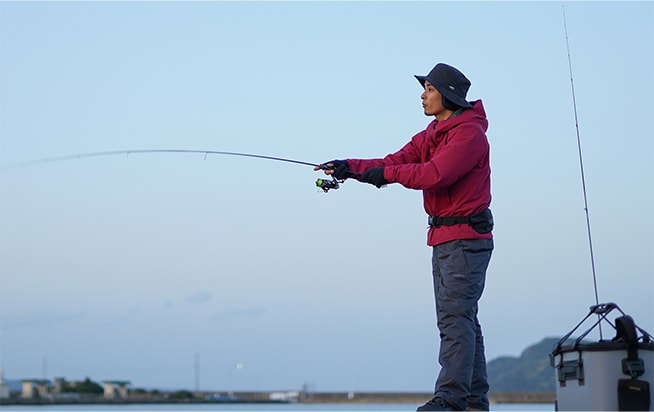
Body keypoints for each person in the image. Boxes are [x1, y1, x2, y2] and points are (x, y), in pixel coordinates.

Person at [315, 63, 494, 411]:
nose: (423, 95)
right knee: (462, 318)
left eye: (429, 89)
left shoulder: (469, 134)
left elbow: (435, 174)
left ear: (448, 95)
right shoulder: (431, 134)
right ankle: (472, 402)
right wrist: (349, 168)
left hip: (466, 238)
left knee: (455, 319)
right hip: (443, 237)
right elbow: (393, 161)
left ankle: (451, 400)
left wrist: (386, 174)